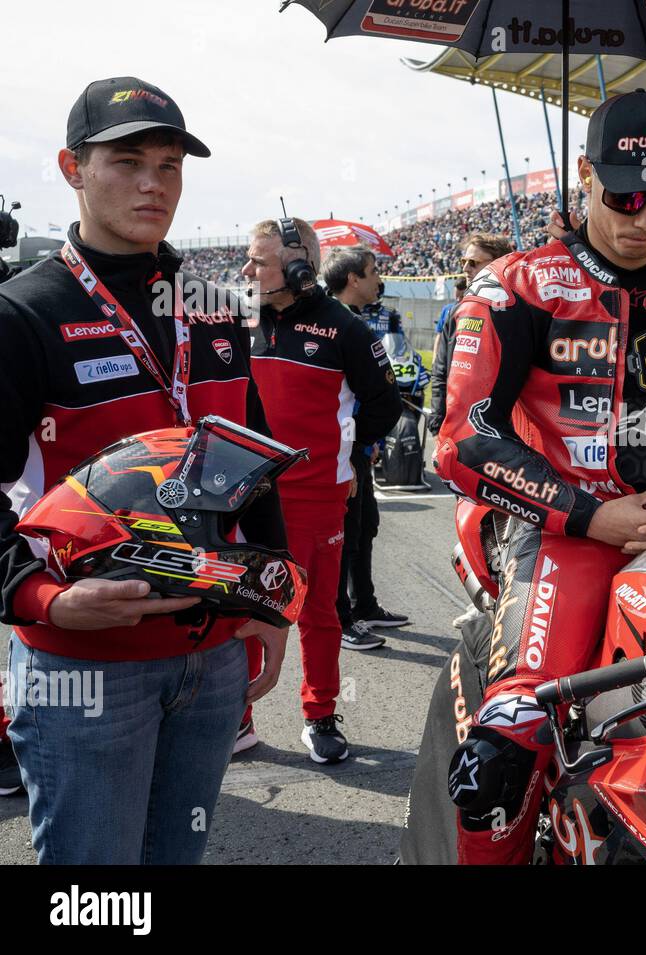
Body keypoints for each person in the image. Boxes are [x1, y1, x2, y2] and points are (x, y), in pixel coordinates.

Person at [436, 89, 646, 864]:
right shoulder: (515, 286)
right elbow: (458, 439)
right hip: (567, 530)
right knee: (510, 741)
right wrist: (592, 518)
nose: (639, 217)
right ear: (585, 176)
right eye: (621, 194)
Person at [0, 77, 289, 863]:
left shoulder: (215, 305)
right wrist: (42, 598)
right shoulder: (24, 311)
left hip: (211, 652)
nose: (154, 183)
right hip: (84, 667)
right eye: (127, 161)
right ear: (72, 167)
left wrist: (272, 597)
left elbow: (253, 458)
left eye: (170, 164)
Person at [241, 218, 401, 762]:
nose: (246, 271)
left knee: (319, 614)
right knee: (235, 606)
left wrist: (353, 456)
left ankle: (321, 713)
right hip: (241, 496)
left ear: (298, 266)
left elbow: (385, 404)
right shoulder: (237, 319)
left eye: (258, 262)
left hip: (316, 498)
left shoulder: (348, 329)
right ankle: (236, 719)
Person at [322, 247, 410, 650]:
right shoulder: (328, 322)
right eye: (373, 272)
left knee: (365, 526)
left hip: (358, 445)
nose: (379, 280)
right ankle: (339, 618)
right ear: (353, 278)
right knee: (343, 534)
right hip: (338, 450)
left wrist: (368, 440)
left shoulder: (356, 320)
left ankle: (364, 605)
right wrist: (356, 441)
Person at [427, 234, 511, 444]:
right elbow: (440, 374)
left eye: (473, 262)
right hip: (457, 432)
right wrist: (437, 424)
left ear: (499, 263)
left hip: (503, 434)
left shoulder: (518, 313)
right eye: (463, 262)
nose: (465, 268)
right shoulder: (456, 313)